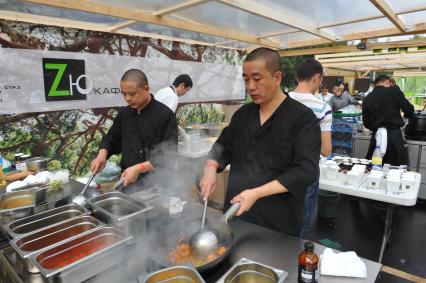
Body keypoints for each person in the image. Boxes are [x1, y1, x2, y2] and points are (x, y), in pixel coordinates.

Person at [199, 47, 321, 237]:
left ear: (277, 77)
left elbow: (306, 171)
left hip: (277, 224)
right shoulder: (243, 115)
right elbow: (222, 147)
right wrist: (210, 168)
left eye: (257, 78)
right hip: (235, 216)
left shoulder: (303, 118)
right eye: (246, 79)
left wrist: (256, 193)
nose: (250, 86)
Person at [91, 69, 178, 187]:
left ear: (146, 89)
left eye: (132, 94)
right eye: (124, 94)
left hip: (157, 185)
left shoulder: (165, 115)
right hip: (128, 181)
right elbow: (111, 139)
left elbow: (169, 156)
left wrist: (139, 168)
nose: (127, 99)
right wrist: (102, 156)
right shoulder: (124, 114)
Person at [289, 58, 332, 238]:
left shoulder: (279, 100)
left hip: (276, 169)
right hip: (305, 171)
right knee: (301, 222)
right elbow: (325, 149)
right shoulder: (322, 108)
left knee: (276, 218)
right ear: (316, 78)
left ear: (297, 77)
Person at [362, 75, 414, 165]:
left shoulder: (367, 98)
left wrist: (377, 128)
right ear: (387, 82)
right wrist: (406, 117)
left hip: (377, 137)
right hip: (394, 136)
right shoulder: (393, 91)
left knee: (375, 166)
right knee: (395, 169)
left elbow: (366, 123)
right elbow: (409, 109)